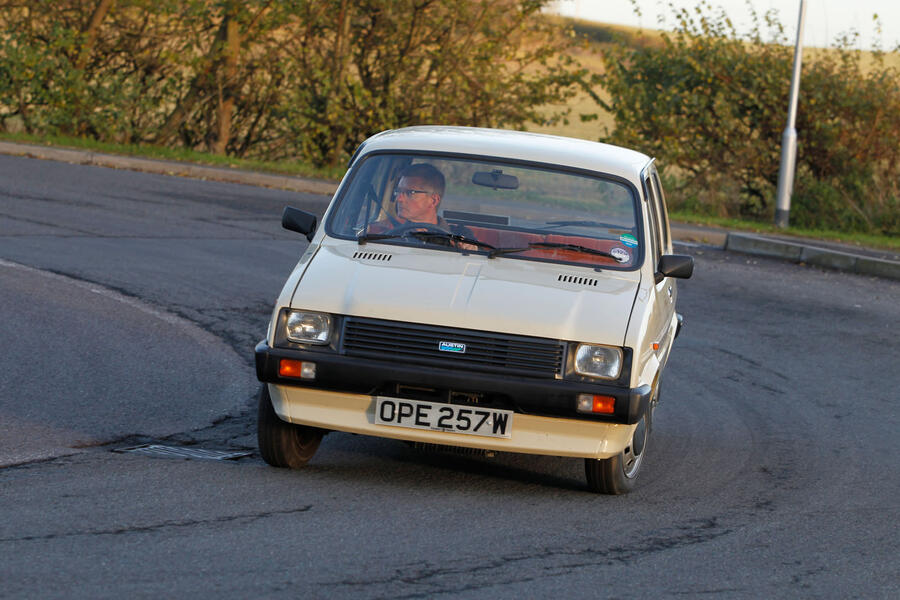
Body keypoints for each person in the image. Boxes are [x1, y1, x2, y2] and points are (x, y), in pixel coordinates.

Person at [370, 163, 478, 249]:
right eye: (398, 191)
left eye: (410, 193)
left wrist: (471, 249)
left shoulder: (461, 235)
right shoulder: (391, 236)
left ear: (433, 200)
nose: (399, 199)